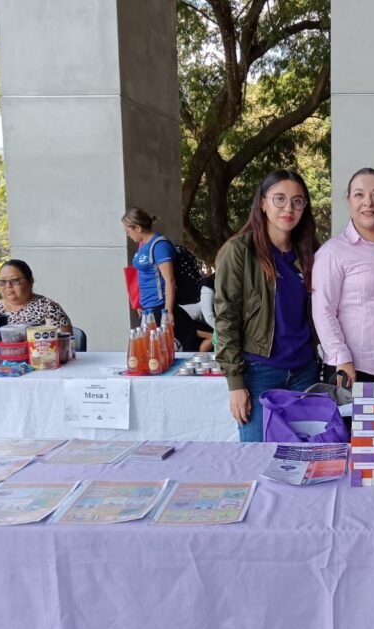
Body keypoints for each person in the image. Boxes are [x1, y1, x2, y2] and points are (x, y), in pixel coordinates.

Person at [214, 169, 321, 441]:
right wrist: (235, 383)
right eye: (280, 199)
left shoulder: (309, 252)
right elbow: (226, 319)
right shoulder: (239, 251)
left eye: (298, 201)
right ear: (262, 203)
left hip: (305, 371)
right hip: (260, 372)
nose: (289, 208)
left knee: (300, 457)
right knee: (256, 458)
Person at [312, 168, 374, 442]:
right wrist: (341, 359)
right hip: (360, 372)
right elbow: (322, 311)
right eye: (359, 195)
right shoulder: (334, 252)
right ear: (349, 200)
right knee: (366, 456)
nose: (368, 202)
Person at [122, 208, 200, 350]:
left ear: (137, 228)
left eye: (128, 231)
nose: (128, 235)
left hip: (160, 306)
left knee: (161, 350)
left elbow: (169, 280)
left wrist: (168, 311)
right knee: (149, 351)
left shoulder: (159, 246)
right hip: (148, 308)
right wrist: (140, 303)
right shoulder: (143, 246)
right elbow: (143, 276)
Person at [0, 259, 73, 332]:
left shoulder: (49, 308)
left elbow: (65, 344)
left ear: (30, 281)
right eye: (2, 282)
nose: (8, 286)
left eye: (15, 281)